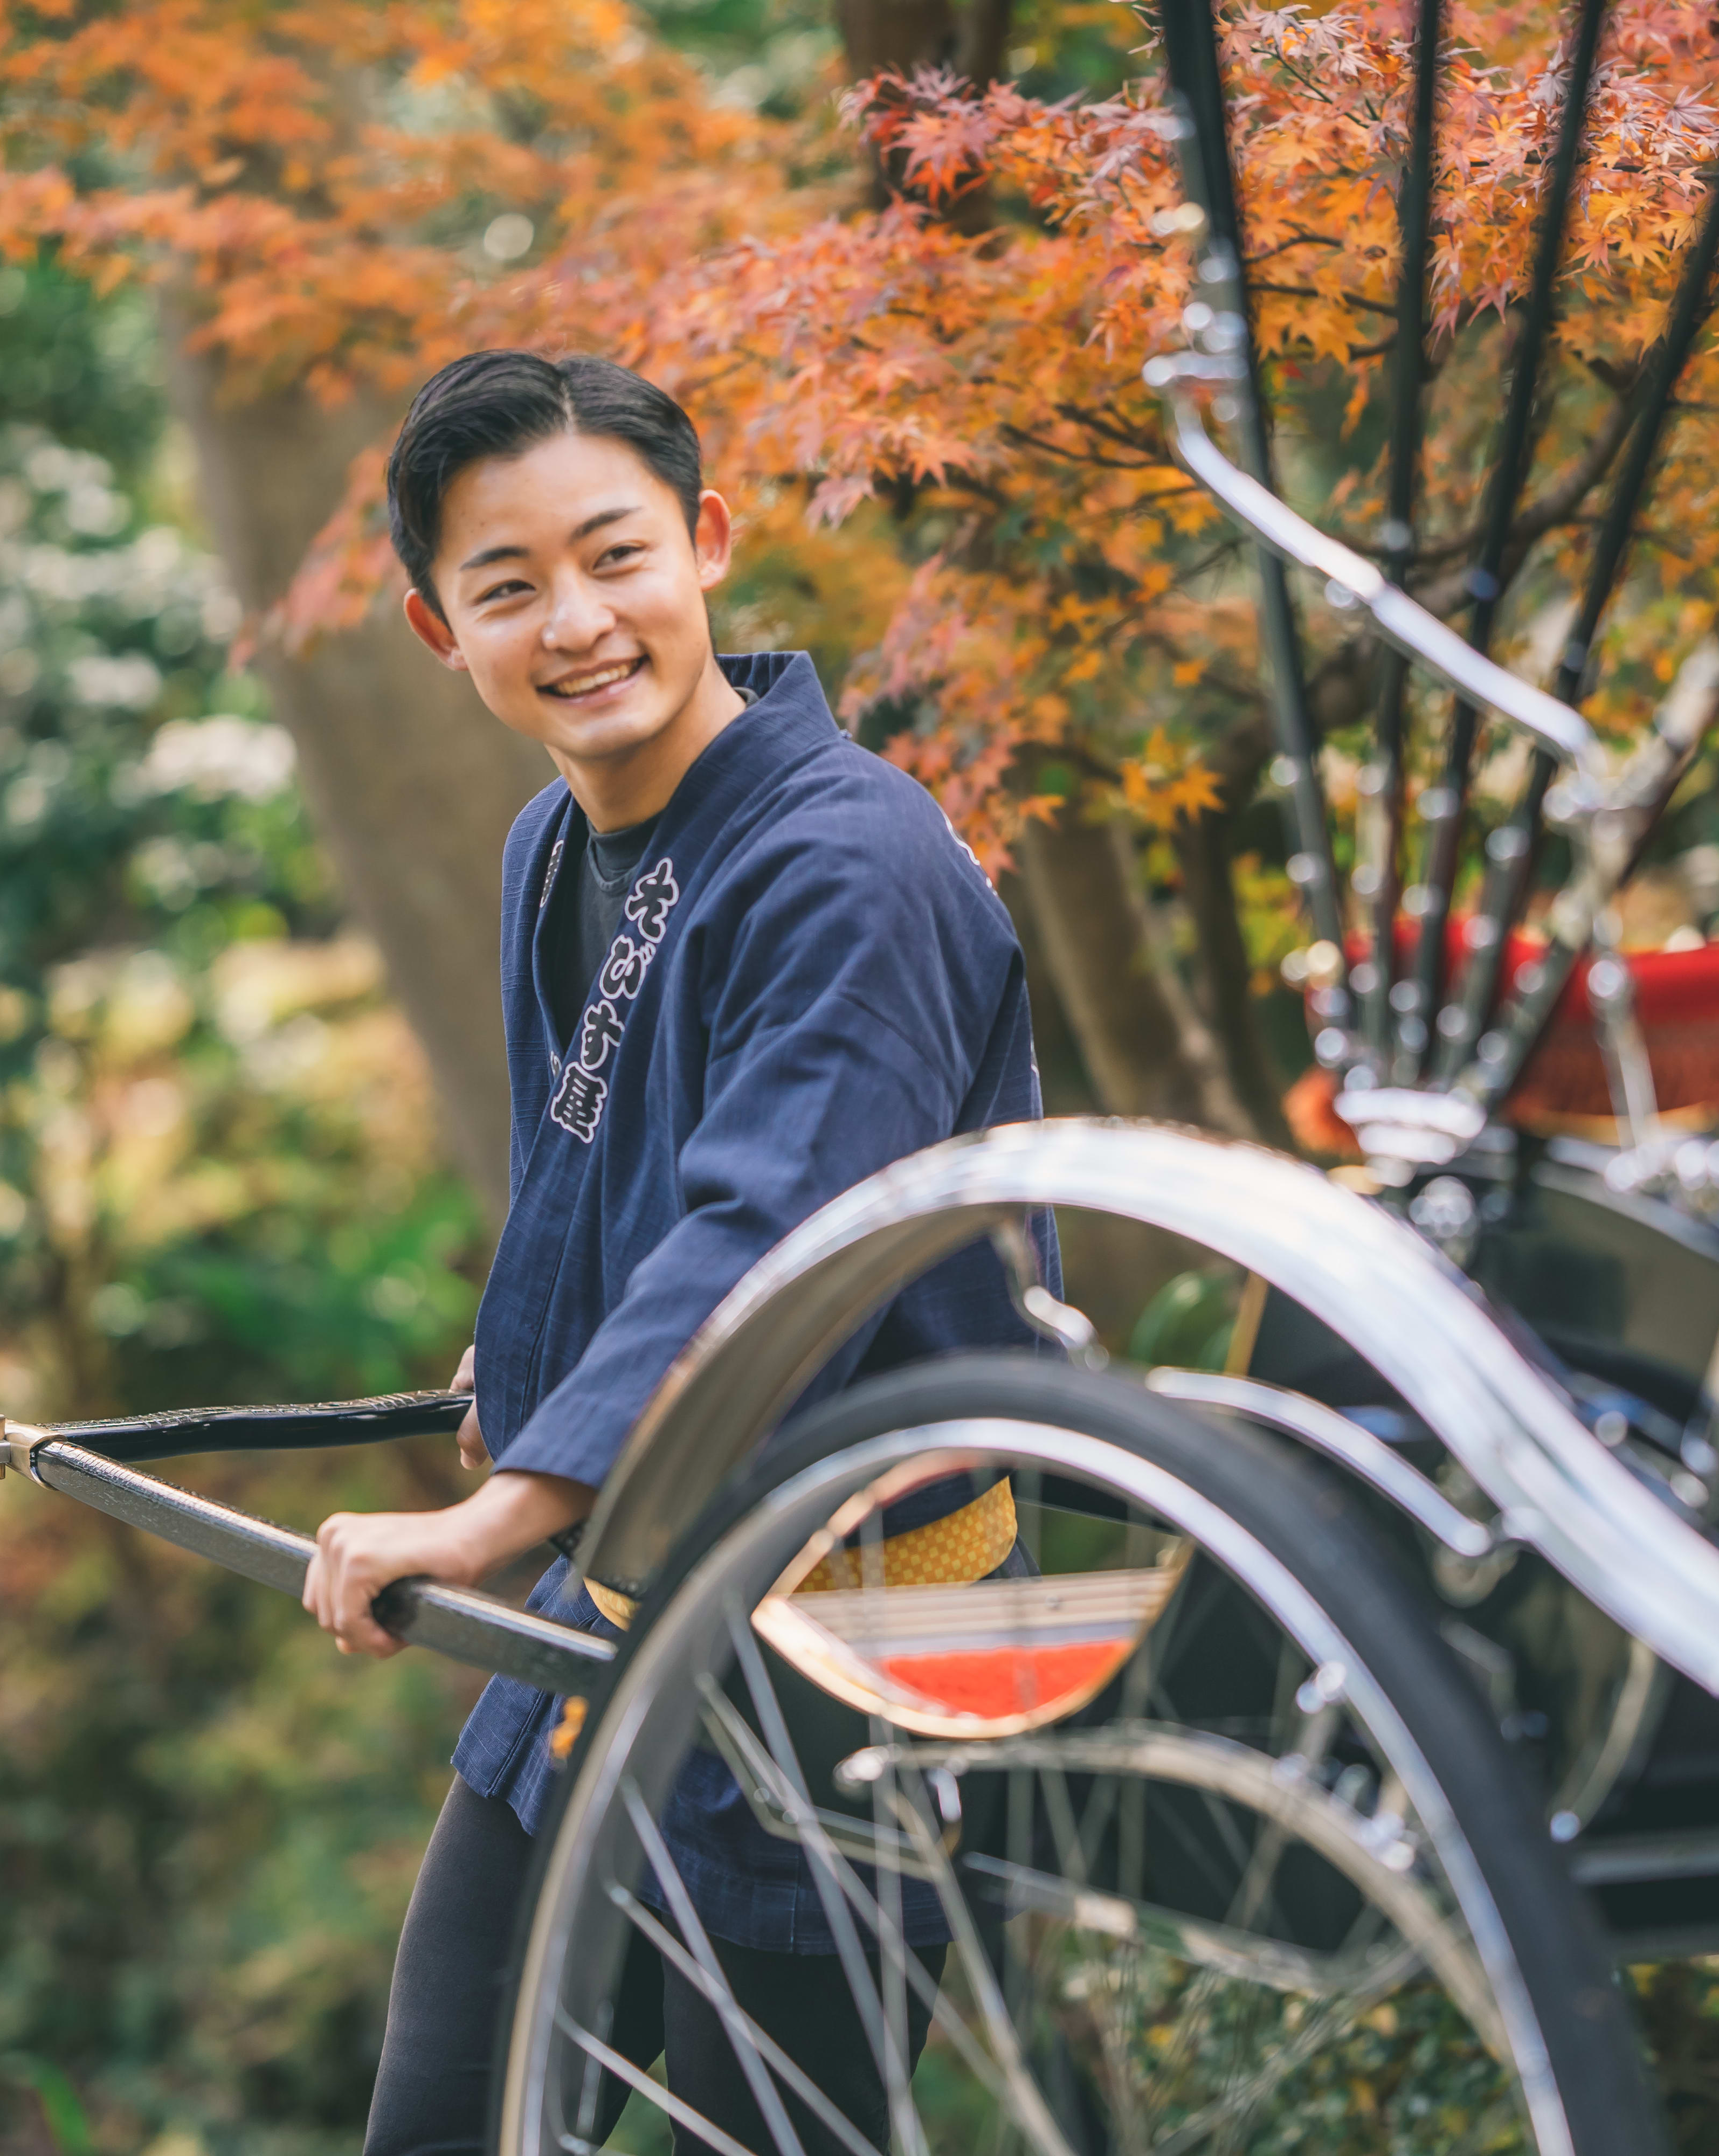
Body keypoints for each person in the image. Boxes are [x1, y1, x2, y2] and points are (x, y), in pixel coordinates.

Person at [296, 349, 1053, 2156]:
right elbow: (600, 1180)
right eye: (509, 588)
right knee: (442, 2120)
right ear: (437, 629)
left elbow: (763, 1233)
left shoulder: (848, 860)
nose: (577, 621)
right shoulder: (551, 845)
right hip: (627, 1578)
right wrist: (528, 1366)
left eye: (615, 555)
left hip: (869, 1625)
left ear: (706, 544)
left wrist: (493, 1516)